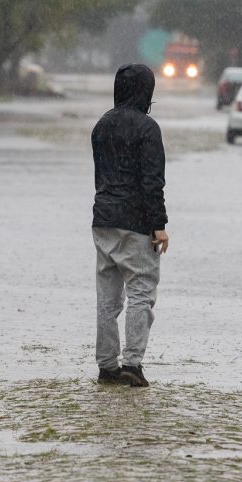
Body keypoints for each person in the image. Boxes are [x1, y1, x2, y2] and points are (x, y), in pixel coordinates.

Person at [90, 63, 169, 388]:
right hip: (136, 223)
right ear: (146, 91)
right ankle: (132, 364)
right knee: (140, 291)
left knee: (107, 299)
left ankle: (107, 366)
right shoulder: (147, 129)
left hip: (103, 221)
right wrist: (159, 225)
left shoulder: (101, 125)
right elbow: (152, 182)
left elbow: (101, 175)